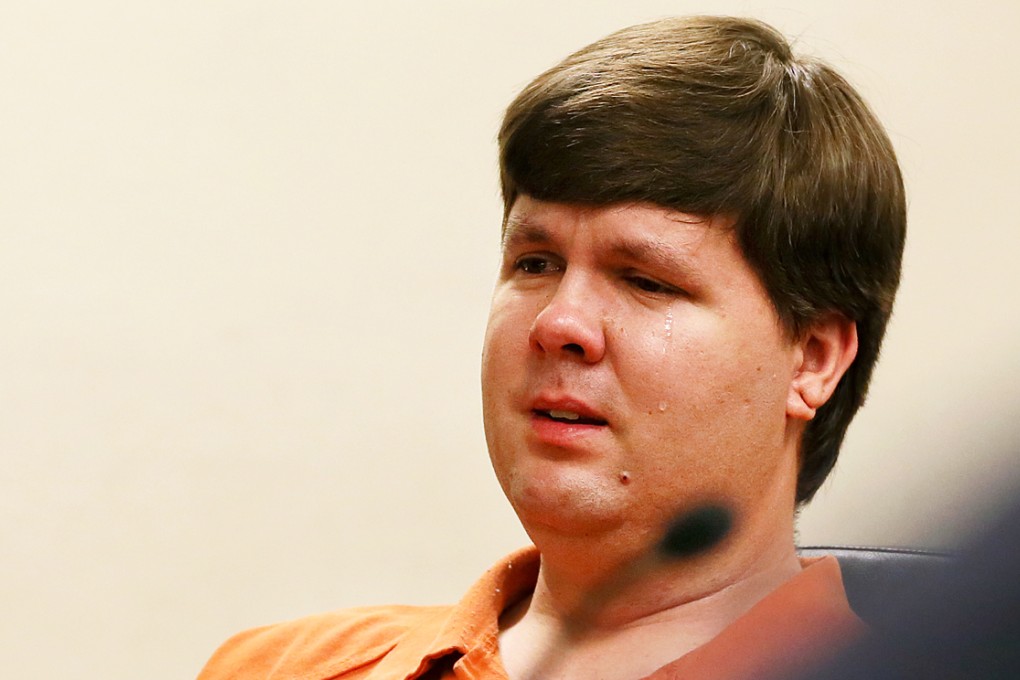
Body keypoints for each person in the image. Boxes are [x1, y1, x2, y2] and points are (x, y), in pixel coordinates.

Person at [197, 15, 906, 680]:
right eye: (535, 263)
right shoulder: (275, 666)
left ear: (813, 359)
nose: (559, 322)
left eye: (646, 281)